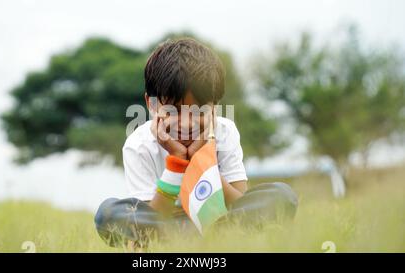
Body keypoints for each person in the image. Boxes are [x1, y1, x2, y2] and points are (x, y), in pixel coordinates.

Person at [95, 38, 298, 248]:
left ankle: (215, 237)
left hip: (217, 220)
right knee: (109, 214)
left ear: (214, 107)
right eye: (173, 109)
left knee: (281, 195)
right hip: (167, 226)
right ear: (151, 104)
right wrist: (177, 163)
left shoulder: (225, 132)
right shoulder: (139, 144)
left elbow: (239, 202)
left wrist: (202, 159)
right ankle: (194, 241)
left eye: (199, 110)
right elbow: (153, 217)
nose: (186, 122)